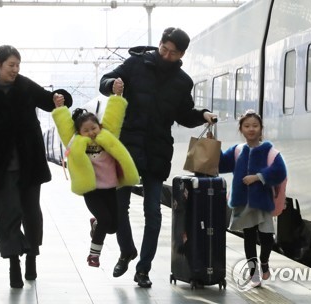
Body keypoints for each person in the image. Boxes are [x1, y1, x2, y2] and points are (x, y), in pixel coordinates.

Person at [99, 27, 217, 288]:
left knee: (153, 212)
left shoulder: (183, 82)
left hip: (157, 150)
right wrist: (112, 85)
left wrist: (202, 115)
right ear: (160, 44)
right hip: (127, 147)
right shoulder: (135, 64)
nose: (166, 55)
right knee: (120, 206)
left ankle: (143, 269)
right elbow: (105, 81)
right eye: (164, 49)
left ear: (182, 54)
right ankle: (127, 250)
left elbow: (184, 114)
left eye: (173, 53)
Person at [0, 45, 73, 288]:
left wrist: (58, 98)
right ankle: (14, 262)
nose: (15, 70)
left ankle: (32, 256)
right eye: (10, 65)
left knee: (31, 213)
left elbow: (48, 101)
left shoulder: (25, 85)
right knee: (7, 215)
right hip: (2, 163)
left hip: (30, 161)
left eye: (18, 65)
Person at [52, 94, 139, 268]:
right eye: (86, 130)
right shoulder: (75, 142)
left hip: (110, 189)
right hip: (91, 191)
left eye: (94, 128)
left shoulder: (108, 137)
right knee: (106, 220)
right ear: (79, 133)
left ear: (100, 126)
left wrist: (118, 96)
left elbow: (113, 117)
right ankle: (93, 255)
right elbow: (64, 128)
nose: (91, 133)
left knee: (113, 226)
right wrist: (60, 108)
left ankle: (96, 223)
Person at [218, 110, 287, 288]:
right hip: (242, 202)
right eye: (247, 126)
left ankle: (264, 261)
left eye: (255, 126)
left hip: (263, 201)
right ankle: (253, 273)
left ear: (261, 129)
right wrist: (212, 145)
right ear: (241, 129)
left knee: (267, 237)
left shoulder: (270, 151)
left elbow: (280, 172)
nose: (251, 129)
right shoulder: (237, 150)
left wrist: (258, 177)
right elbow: (221, 164)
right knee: (249, 238)